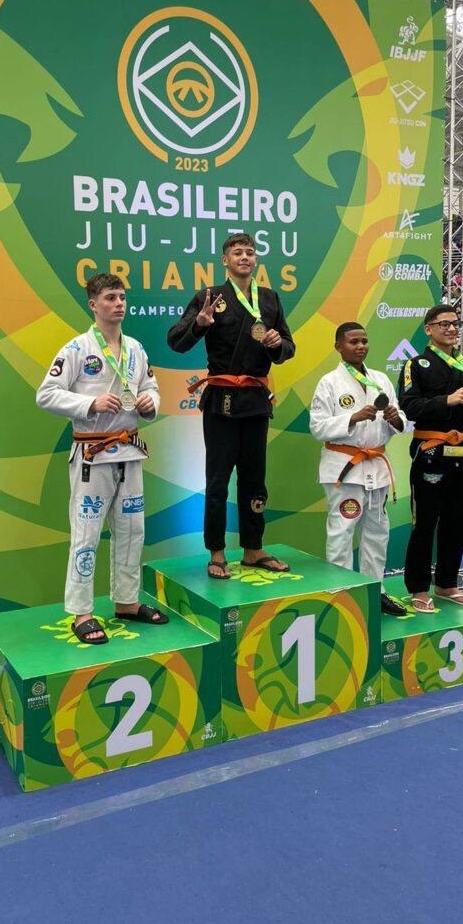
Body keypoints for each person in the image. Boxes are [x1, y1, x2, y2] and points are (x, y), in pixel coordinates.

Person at [36, 273, 166, 644]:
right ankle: (82, 611)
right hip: (92, 455)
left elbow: (152, 387)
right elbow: (46, 394)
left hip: (129, 451)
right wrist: (88, 403)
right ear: (93, 304)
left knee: (131, 532)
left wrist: (149, 403)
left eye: (122, 297)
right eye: (110, 298)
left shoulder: (136, 349)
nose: (119, 304)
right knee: (87, 533)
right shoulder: (76, 350)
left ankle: (126, 601)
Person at [168, 232, 295, 578]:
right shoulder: (209, 297)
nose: (245, 257)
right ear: (225, 260)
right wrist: (199, 324)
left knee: (255, 479)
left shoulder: (269, 299)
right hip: (221, 401)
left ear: (256, 261)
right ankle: (217, 552)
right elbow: (175, 341)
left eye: (250, 252)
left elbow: (288, 348)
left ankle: (253, 548)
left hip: (255, 400)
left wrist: (275, 343)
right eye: (237, 252)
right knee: (218, 480)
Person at [397, 305, 463, 611]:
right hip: (431, 454)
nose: (452, 329)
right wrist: (447, 400)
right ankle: (418, 589)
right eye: (444, 324)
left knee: (458, 522)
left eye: (455, 324)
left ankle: (446, 584)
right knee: (425, 523)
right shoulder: (417, 364)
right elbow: (409, 407)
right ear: (429, 329)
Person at [309, 323, 408, 617]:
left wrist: (393, 417)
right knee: (342, 531)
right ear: (339, 345)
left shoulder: (380, 380)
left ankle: (374, 590)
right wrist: (352, 418)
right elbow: (317, 426)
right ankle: (341, 595)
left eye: (364, 341)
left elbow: (400, 419)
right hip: (345, 470)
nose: (361, 346)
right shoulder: (329, 382)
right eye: (353, 341)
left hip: (376, 468)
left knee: (378, 533)